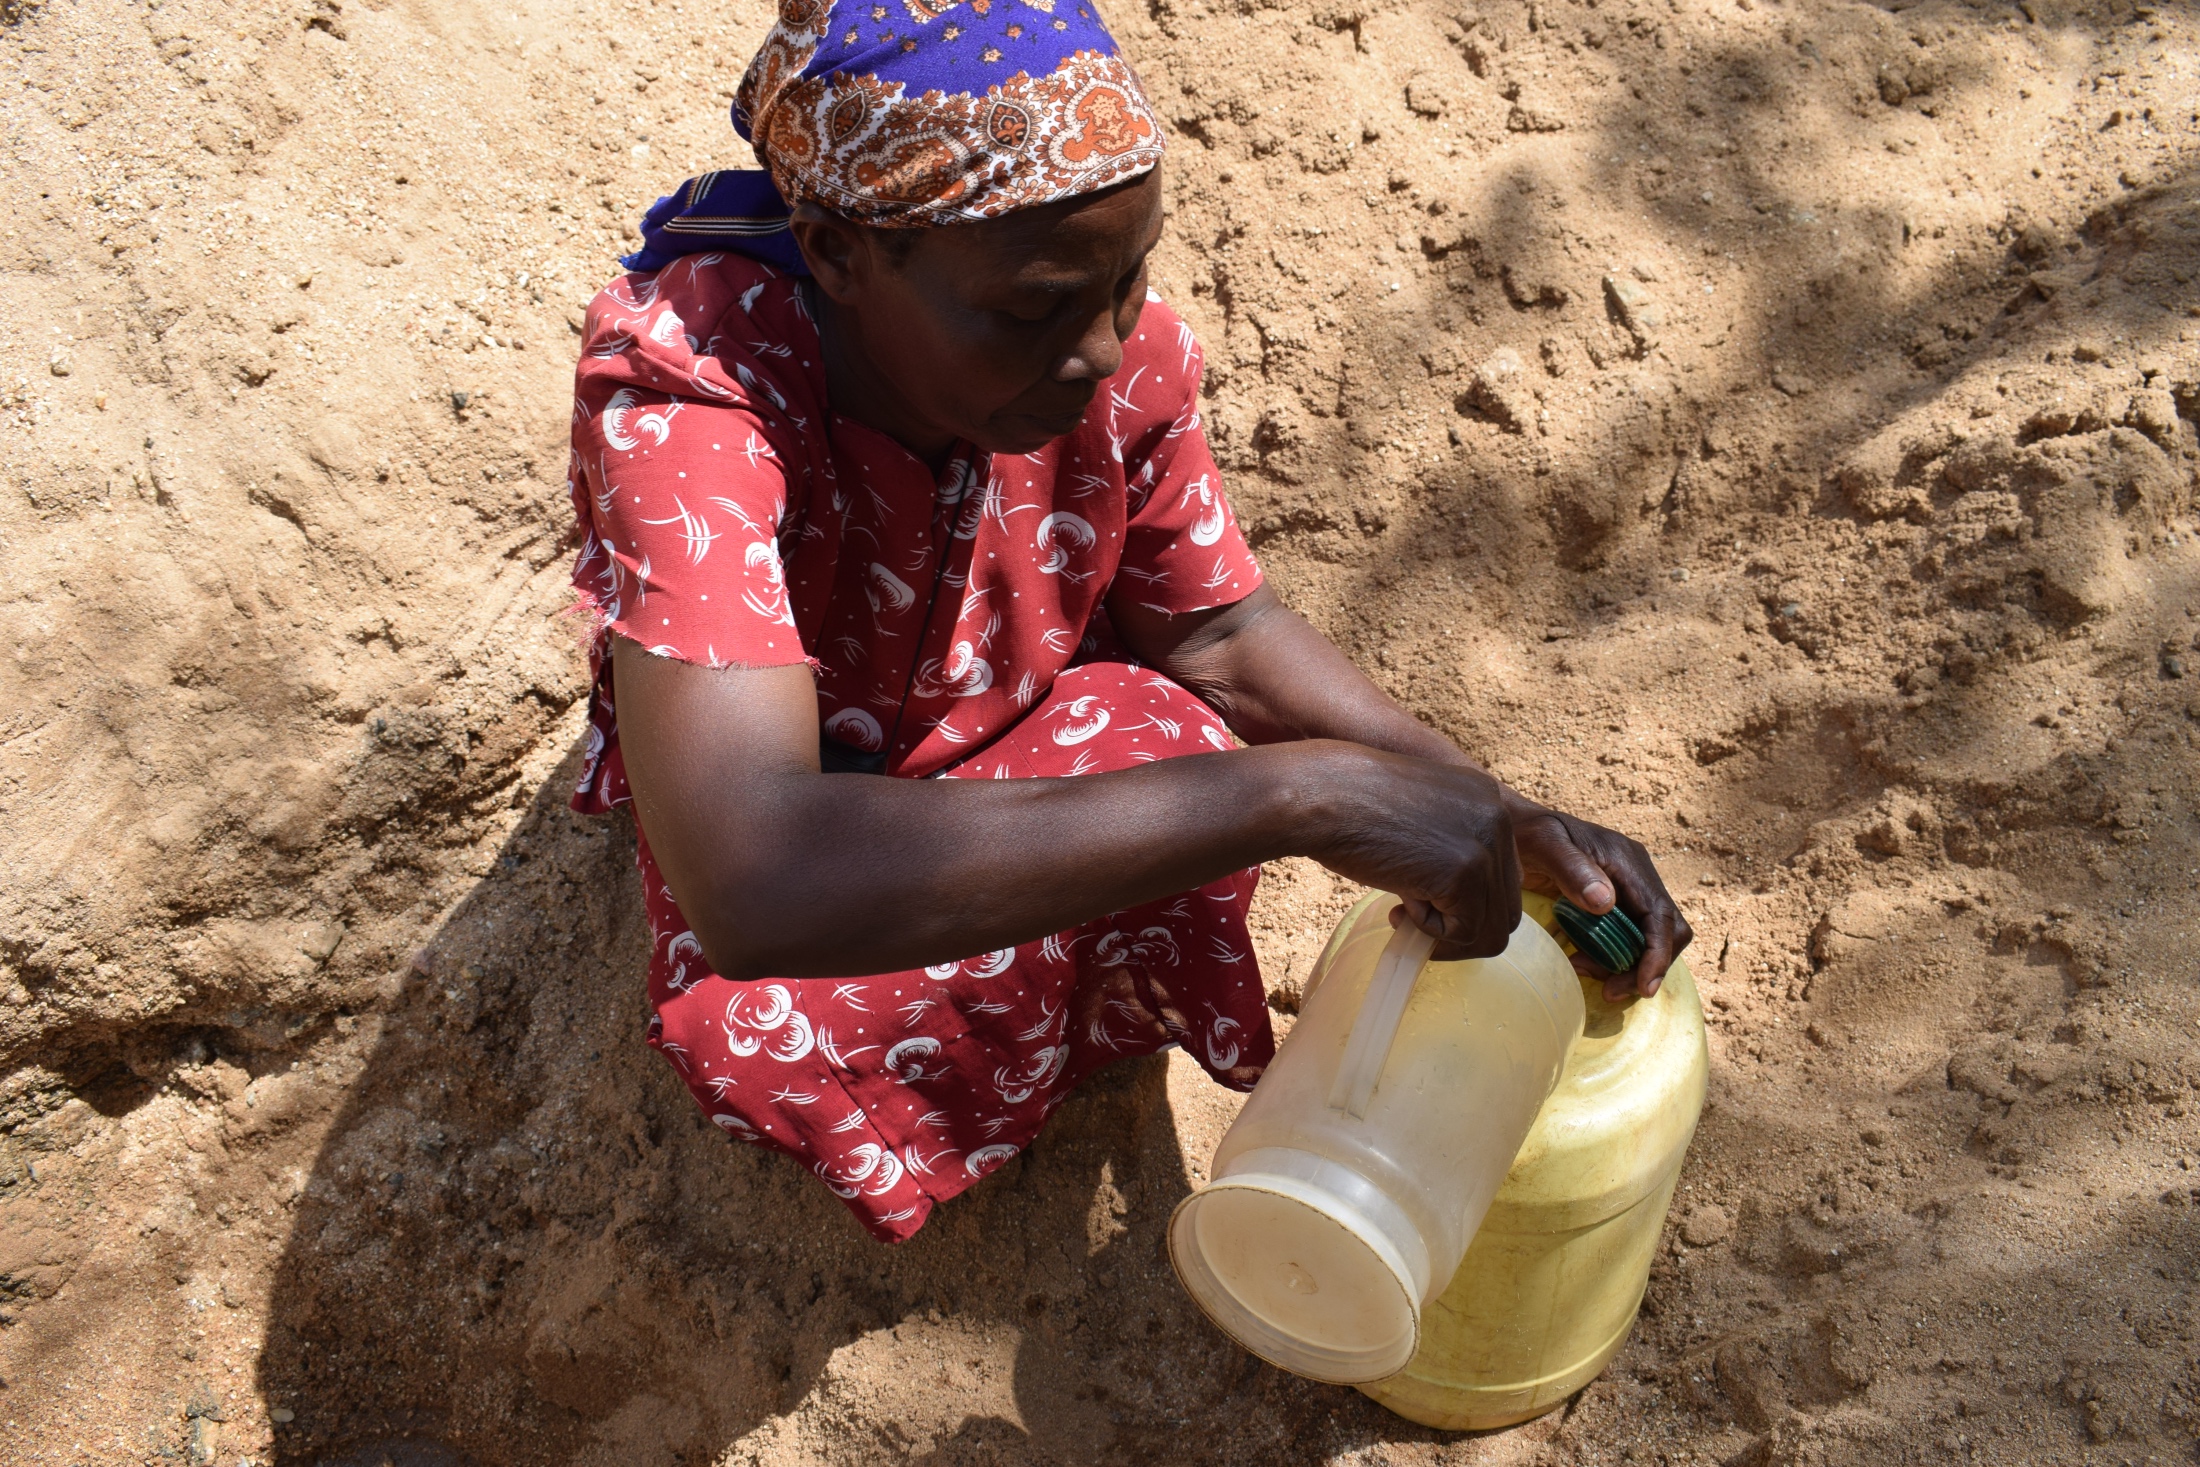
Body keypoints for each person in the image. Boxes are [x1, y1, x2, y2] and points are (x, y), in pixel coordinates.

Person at [565, 0, 1691, 1243]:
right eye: (1032, 310)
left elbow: (1216, 634)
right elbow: (758, 878)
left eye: (1127, 278)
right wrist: (1306, 794)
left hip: (1008, 767)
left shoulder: (1108, 357)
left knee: (1162, 726)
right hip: (820, 834)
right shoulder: (697, 399)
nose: (1100, 349)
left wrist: (1489, 808)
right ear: (835, 250)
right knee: (771, 1016)